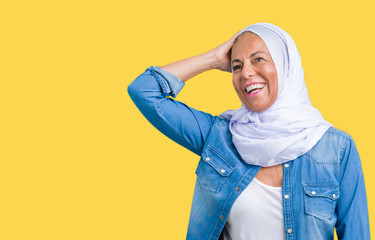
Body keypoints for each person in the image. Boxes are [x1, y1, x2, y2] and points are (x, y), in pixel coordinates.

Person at [128, 23, 370, 240]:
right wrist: (212, 59)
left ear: (286, 65)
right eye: (236, 66)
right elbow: (144, 90)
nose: (245, 73)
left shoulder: (337, 149)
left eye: (259, 59)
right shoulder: (219, 137)